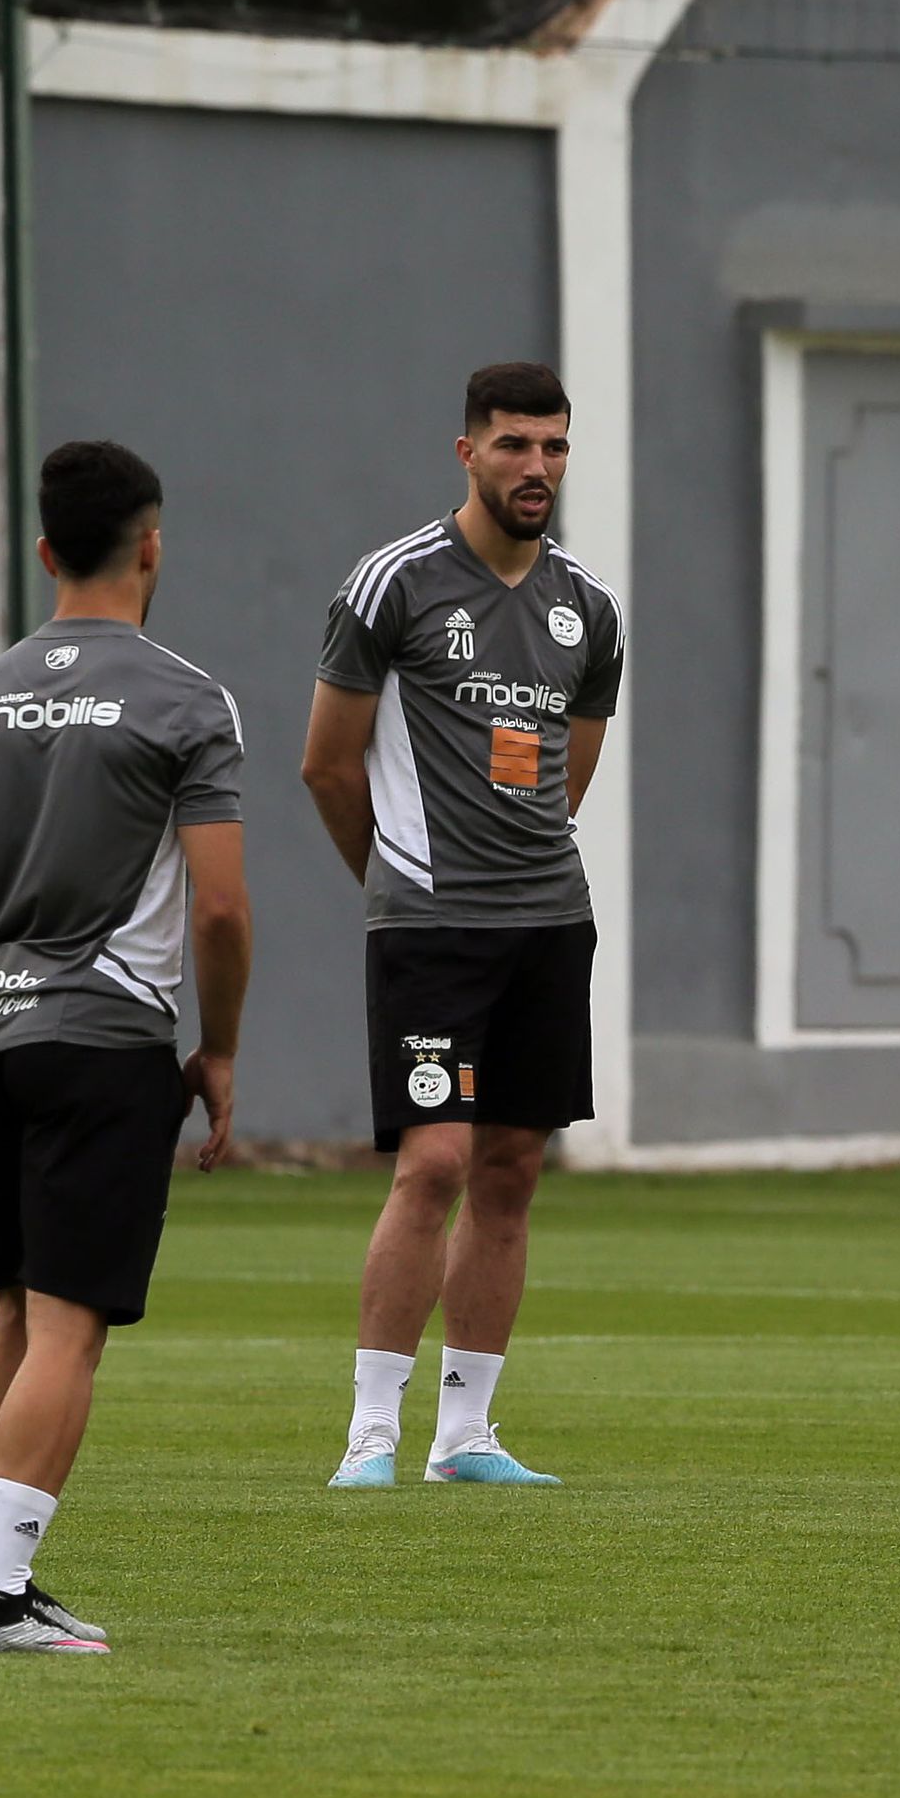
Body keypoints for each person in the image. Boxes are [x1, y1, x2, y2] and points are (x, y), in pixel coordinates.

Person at [0, 439, 251, 1653]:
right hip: (103, 1037)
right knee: (68, 1326)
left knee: (9, 1316)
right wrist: (221, 1051)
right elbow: (219, 907)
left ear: (46, 551)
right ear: (153, 544)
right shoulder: (185, 698)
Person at [303, 362, 622, 1488]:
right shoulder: (394, 585)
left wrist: (518, 866)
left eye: (554, 447)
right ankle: (371, 1435)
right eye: (515, 445)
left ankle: (466, 1436)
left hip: (547, 925)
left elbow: (565, 780)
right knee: (431, 1162)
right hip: (431, 929)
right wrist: (392, 885)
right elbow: (325, 764)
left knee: (513, 1170)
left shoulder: (590, 608)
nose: (536, 467)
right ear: (468, 453)